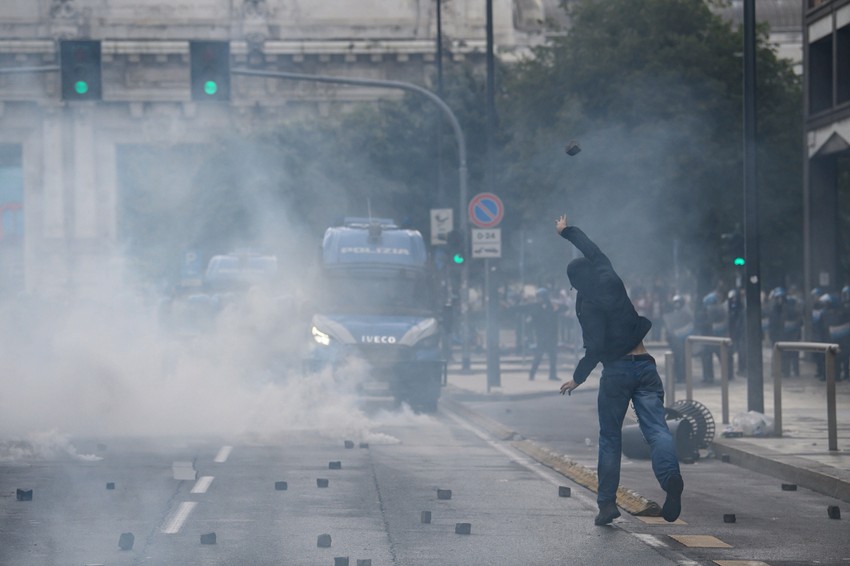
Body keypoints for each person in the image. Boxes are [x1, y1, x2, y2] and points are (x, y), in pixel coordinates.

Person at [555, 214, 683, 526]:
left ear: (575, 285)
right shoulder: (607, 272)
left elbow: (596, 346)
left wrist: (578, 377)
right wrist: (566, 231)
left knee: (610, 438)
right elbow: (591, 248)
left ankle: (607, 505)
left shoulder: (587, 306)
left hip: (616, 372)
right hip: (645, 364)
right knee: (656, 429)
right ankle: (671, 480)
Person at [528, 287, 561, 381]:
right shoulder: (536, 307)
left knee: (553, 357)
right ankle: (532, 374)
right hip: (541, 336)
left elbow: (564, 308)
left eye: (540, 297)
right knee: (538, 356)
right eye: (538, 297)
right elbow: (531, 321)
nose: (539, 299)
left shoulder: (552, 307)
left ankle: (552, 375)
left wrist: (556, 306)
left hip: (551, 336)